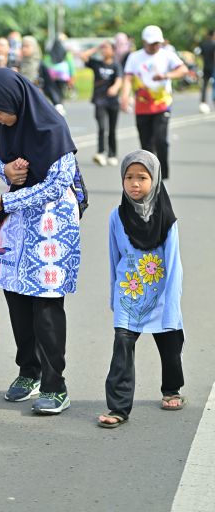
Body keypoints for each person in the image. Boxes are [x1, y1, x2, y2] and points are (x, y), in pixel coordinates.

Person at [0, 68, 82, 415]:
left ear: (16, 101)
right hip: (17, 222)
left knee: (46, 303)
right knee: (16, 299)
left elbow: (57, 184)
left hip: (52, 223)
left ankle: (55, 384)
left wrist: (4, 201)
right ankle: (28, 371)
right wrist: (4, 170)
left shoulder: (53, 128)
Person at [98, 150, 185, 428]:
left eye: (142, 178)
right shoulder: (116, 216)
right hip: (129, 293)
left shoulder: (167, 220)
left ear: (155, 180)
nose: (134, 183)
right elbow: (114, 258)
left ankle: (171, 389)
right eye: (129, 177)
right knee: (122, 348)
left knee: (170, 346)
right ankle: (118, 407)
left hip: (161, 294)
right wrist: (114, 296)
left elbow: (174, 265)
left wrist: (172, 303)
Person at [120, 25, 188, 180]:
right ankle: (150, 175)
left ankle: (162, 175)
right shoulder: (134, 57)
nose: (155, 46)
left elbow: (183, 70)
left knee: (160, 140)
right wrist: (124, 97)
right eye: (152, 43)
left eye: (157, 43)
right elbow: (128, 78)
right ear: (144, 42)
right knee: (146, 144)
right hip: (142, 105)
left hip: (162, 103)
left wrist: (166, 75)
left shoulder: (167, 55)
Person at [80, 41, 123, 166]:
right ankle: (100, 153)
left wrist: (115, 87)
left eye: (107, 48)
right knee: (102, 127)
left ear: (113, 51)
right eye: (103, 49)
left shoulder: (116, 65)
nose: (104, 50)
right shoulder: (96, 64)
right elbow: (83, 56)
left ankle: (112, 154)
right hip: (99, 100)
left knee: (112, 129)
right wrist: (97, 47)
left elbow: (119, 79)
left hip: (113, 101)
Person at [19, 35, 63, 110]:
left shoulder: (40, 65)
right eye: (22, 46)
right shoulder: (19, 64)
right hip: (22, 102)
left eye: (27, 46)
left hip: (38, 103)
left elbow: (49, 86)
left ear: (34, 47)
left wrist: (57, 103)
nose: (24, 49)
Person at [197, 29, 215, 113]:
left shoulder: (203, 44)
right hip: (213, 67)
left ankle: (203, 102)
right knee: (214, 85)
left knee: (204, 85)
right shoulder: (213, 44)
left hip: (205, 67)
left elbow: (199, 55)